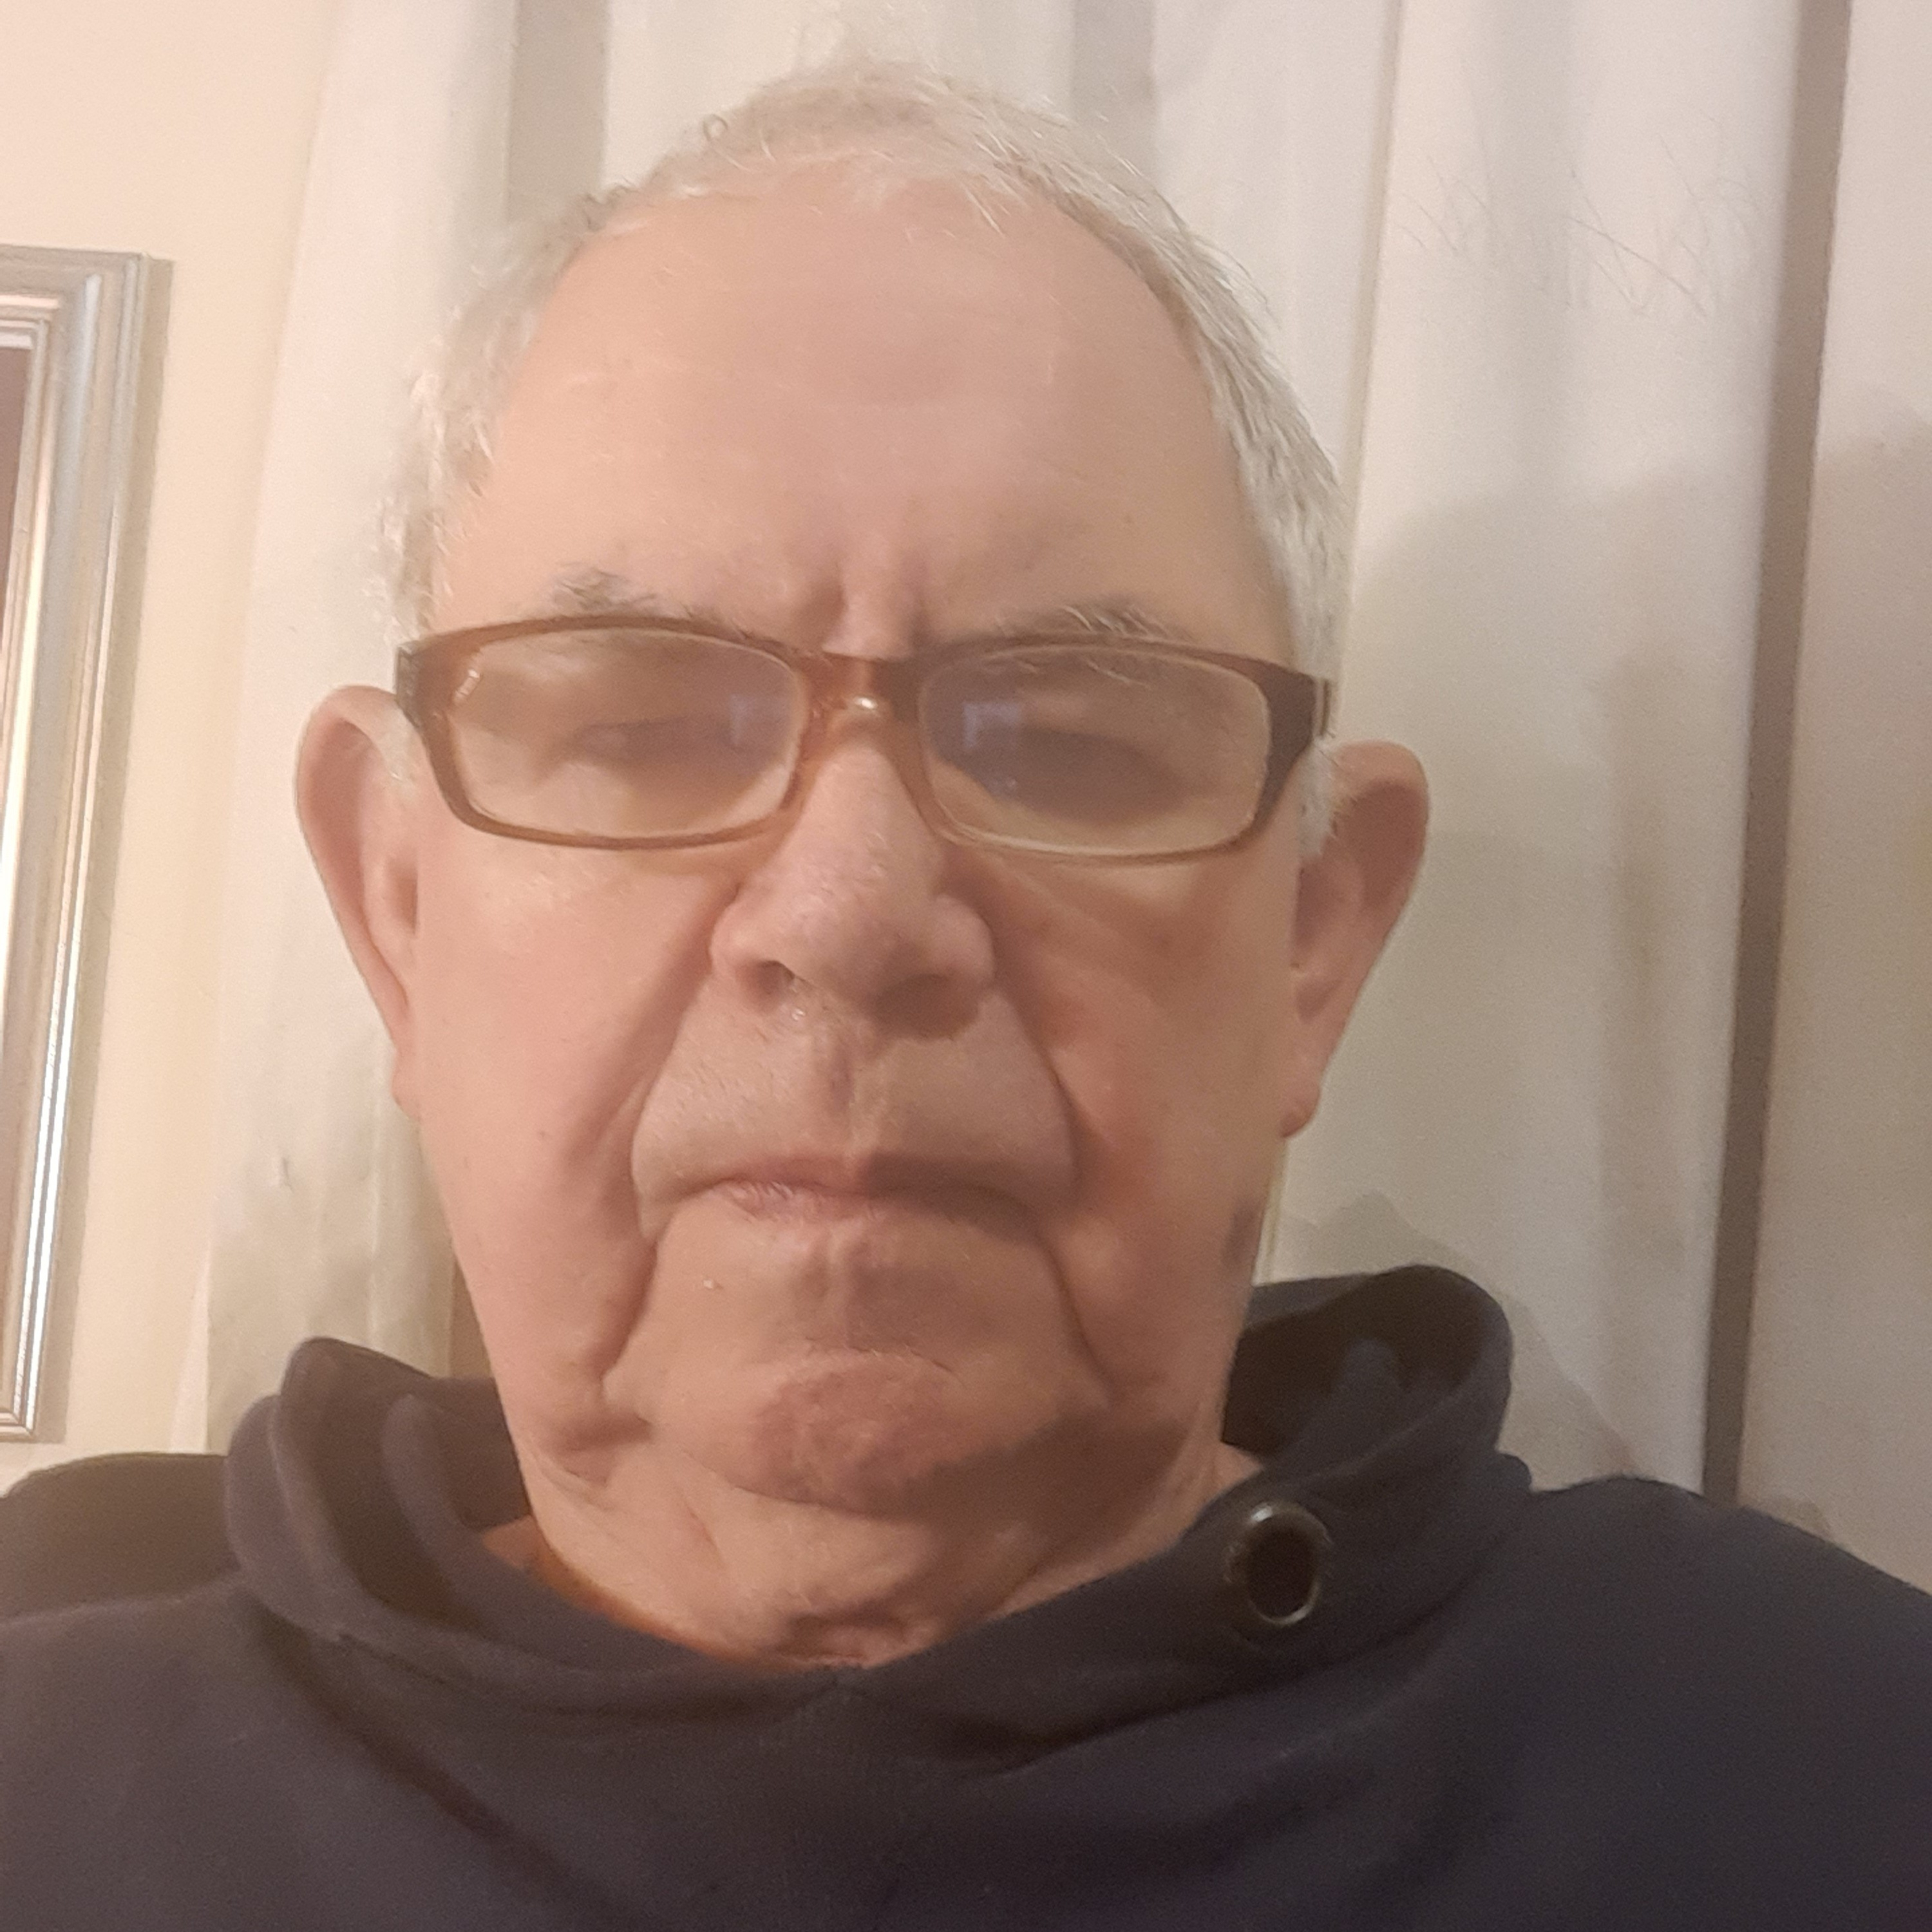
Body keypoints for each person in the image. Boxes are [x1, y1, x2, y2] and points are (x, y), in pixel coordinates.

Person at [1, 58, 1927, 1932]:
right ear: (398, 911)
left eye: (1069, 746)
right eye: (644, 725)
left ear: (1313, 944)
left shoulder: (1835, 1783)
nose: (849, 914)